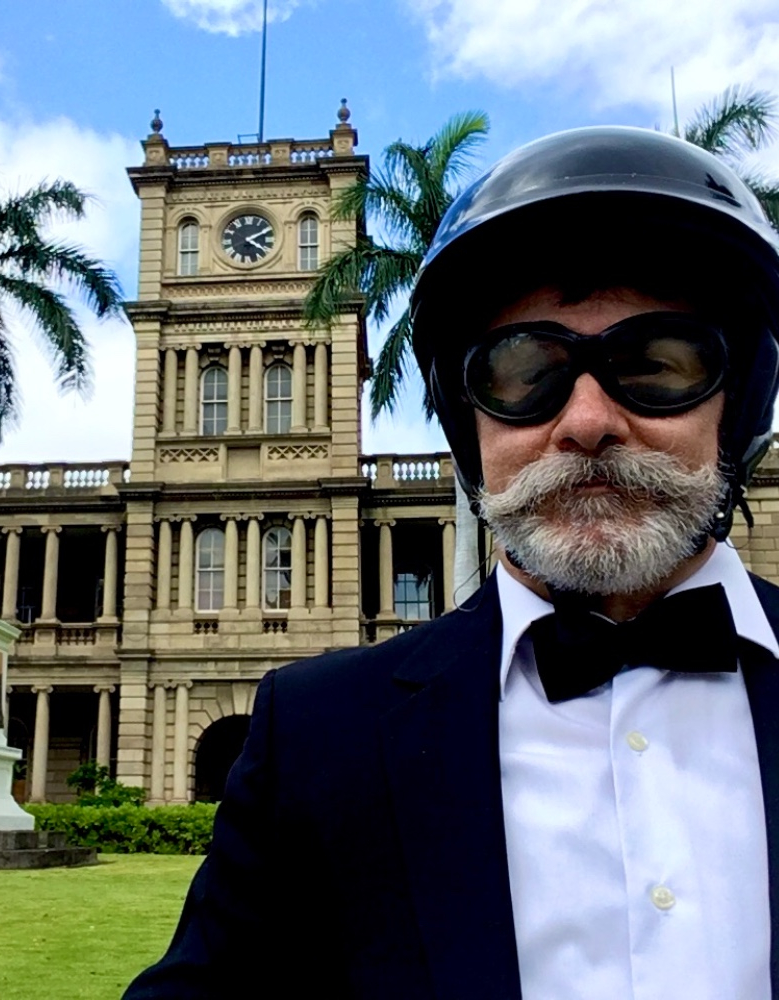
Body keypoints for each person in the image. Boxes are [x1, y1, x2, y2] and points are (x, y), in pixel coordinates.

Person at [124, 127, 779, 999]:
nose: (588, 422)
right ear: (466, 424)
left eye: (655, 364)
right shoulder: (318, 736)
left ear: (742, 401)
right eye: (524, 373)